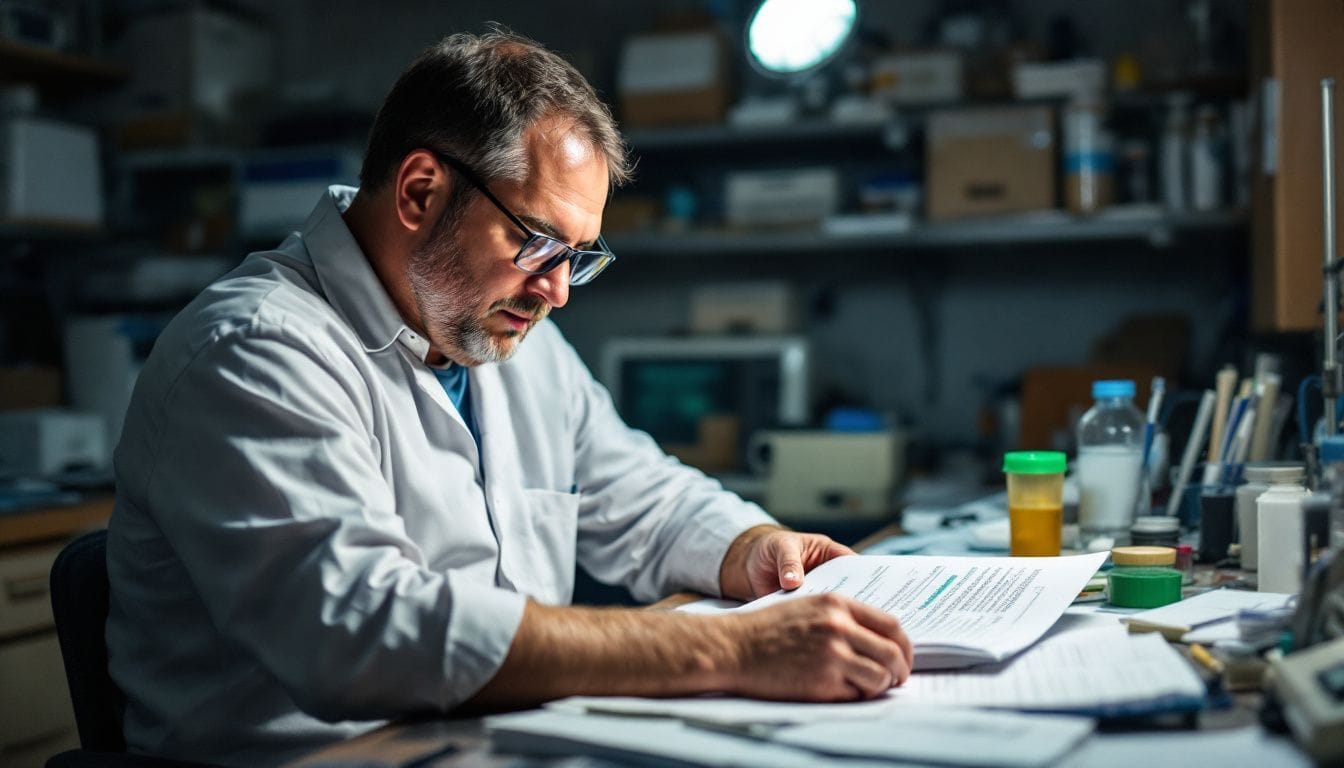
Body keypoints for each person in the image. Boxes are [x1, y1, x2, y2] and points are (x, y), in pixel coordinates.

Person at [105, 30, 913, 767]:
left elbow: (640, 494)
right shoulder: (255, 351)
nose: (559, 291)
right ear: (420, 193)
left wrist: (753, 544)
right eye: (537, 243)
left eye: (579, 256)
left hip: (495, 740)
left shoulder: (504, 333)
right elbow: (368, 633)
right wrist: (731, 652)